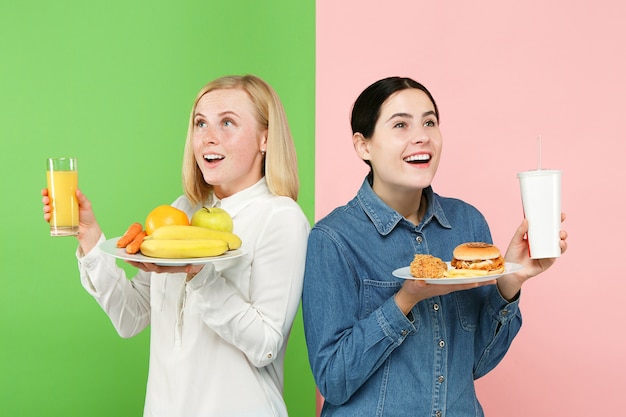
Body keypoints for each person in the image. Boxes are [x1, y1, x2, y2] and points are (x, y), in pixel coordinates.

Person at [42, 75, 310, 417]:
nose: (208, 137)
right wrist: (89, 236)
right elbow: (131, 317)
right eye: (200, 123)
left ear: (265, 139)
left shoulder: (281, 218)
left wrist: (198, 274)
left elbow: (265, 346)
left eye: (227, 122)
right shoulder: (181, 209)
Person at [301, 76, 568, 417]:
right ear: (363, 146)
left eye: (430, 122)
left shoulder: (467, 224)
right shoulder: (333, 239)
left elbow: (477, 364)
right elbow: (332, 381)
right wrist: (406, 299)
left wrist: (509, 283)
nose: (421, 136)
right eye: (401, 124)